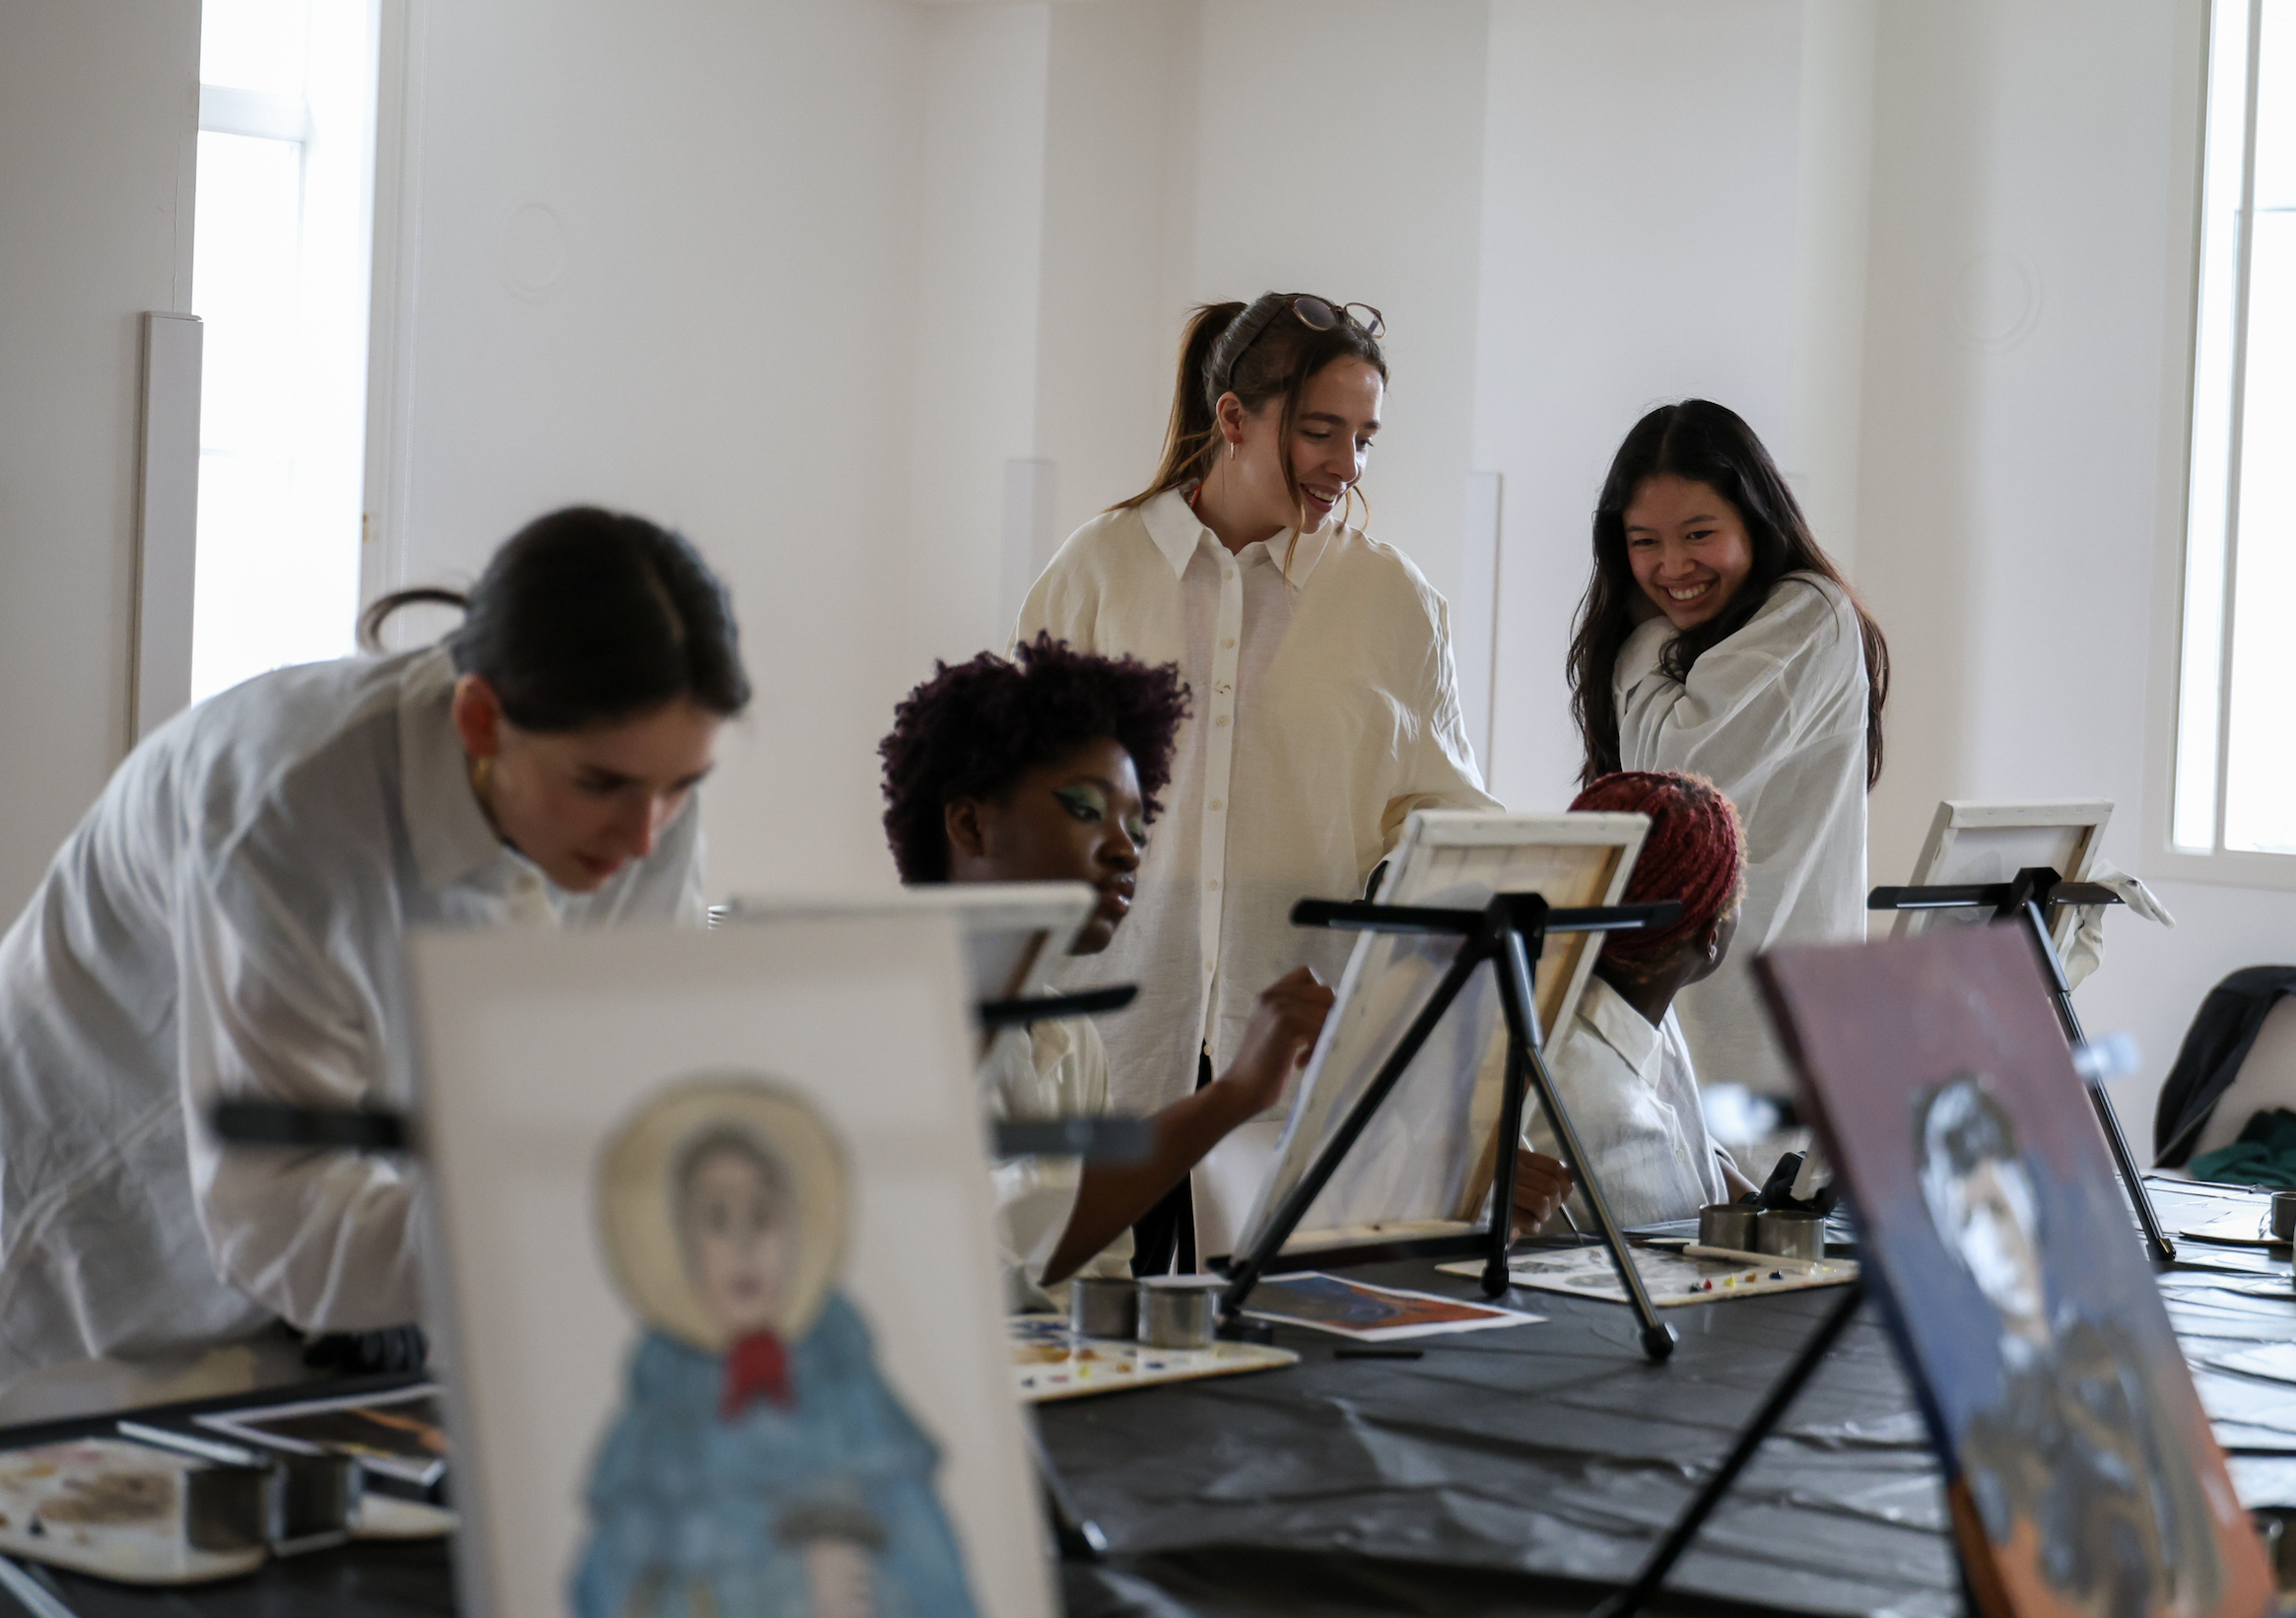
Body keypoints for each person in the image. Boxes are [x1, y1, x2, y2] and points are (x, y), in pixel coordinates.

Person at [0, 506, 748, 1387]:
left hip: (299, 1286)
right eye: (601, 785)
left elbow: (617, 1068)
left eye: (682, 786)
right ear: (481, 720)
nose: (644, 838)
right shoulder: (287, 813)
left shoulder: (643, 804)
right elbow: (276, 1213)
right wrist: (567, 1231)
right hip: (72, 1230)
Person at [1015, 293, 1498, 1268]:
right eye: (1321, 431)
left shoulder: (1394, 601)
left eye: (1364, 438)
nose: (1347, 465)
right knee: (1095, 1333)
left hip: (1298, 1065)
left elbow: (1446, 825)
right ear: (1232, 417)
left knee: (1276, 1345)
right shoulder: (1098, 569)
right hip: (1110, 1044)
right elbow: (1021, 806)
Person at [879, 637, 1333, 1308]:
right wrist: (1233, 1095)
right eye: (1087, 811)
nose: (1126, 852)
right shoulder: (891, 1024)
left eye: (1137, 829)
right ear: (971, 826)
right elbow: (993, 1258)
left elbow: (1096, 1281)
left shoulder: (1071, 1040)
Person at [1566, 400, 1888, 1099]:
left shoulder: (1808, 612)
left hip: (1771, 1015)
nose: (1672, 565)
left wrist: (1646, 635)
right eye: (1644, 541)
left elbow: (1676, 786)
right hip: (1683, 1001)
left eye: (1699, 534)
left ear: (1756, 520)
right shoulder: (1697, 638)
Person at [576, 1077, 976, 1618]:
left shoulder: (852, 1392)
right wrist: (780, 1591)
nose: (745, 1245)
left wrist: (869, 1593)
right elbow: (607, 1595)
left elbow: (941, 1585)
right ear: (682, 1243)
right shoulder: (657, 1423)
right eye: (717, 1220)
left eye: (763, 1216)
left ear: (796, 1231)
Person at [1917, 1075, 2230, 1618]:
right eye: (1968, 1219)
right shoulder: (1988, 1422)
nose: (1995, 1241)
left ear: (2027, 1194)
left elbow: (2190, 1540)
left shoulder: (2117, 1359)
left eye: (1997, 1206)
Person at [1511, 772, 1760, 1234]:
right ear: (1711, 936)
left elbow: (1687, 1144)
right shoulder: (1586, 1092)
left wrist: (1752, 1198)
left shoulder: (1641, 1008)